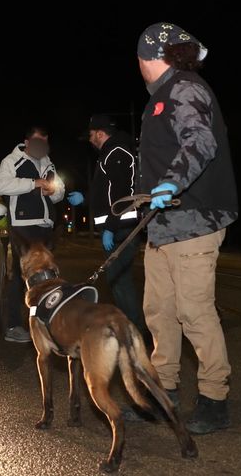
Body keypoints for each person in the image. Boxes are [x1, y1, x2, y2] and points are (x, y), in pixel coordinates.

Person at [135, 22, 238, 435]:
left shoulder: (185, 88)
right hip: (162, 226)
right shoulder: (160, 96)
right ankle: (165, 391)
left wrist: (172, 183)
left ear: (148, 56)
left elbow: (200, 141)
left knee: (195, 312)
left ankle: (215, 399)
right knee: (160, 313)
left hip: (195, 220)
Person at [65, 114, 143, 332]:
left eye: (91, 135)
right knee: (118, 279)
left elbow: (121, 193)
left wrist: (110, 227)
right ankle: (131, 328)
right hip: (117, 227)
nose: (90, 140)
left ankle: (133, 330)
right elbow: (105, 192)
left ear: (100, 133)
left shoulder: (116, 152)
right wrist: (86, 198)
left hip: (121, 228)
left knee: (119, 279)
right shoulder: (109, 153)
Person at [0, 126, 65, 343]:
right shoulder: (11, 161)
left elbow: (60, 190)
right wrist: (33, 183)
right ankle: (14, 326)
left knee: (48, 276)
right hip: (23, 227)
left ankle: (46, 322)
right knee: (20, 276)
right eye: (37, 142)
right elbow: (2, 185)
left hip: (46, 226)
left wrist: (54, 191)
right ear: (27, 142)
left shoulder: (48, 162)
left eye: (44, 142)